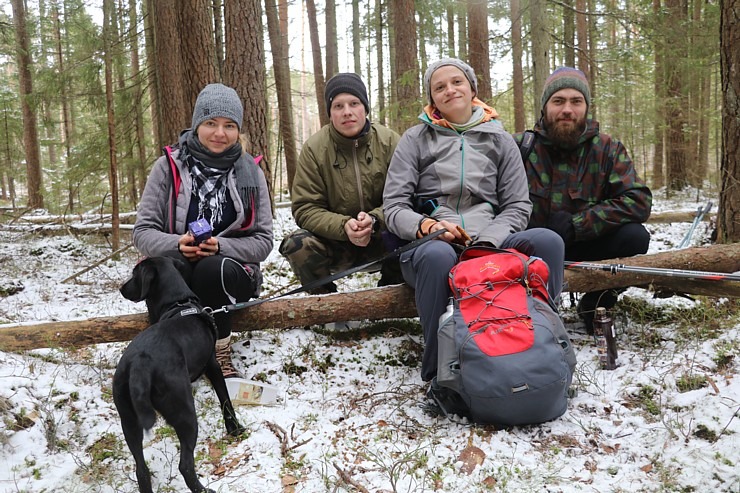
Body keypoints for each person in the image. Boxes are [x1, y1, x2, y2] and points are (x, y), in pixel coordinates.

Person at [383, 58, 565, 403]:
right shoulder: (415, 139)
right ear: (432, 100)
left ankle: (547, 344)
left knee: (549, 242)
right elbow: (393, 207)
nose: (450, 90)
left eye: (457, 82)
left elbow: (517, 206)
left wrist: (489, 240)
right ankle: (441, 373)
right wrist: (427, 226)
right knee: (437, 257)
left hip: (491, 239)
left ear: (473, 89)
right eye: (440, 87)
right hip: (432, 244)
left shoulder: (499, 139)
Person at [133, 83, 273, 378]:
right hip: (178, 271)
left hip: (228, 274)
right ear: (197, 125)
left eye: (229, 125)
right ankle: (174, 353)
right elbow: (143, 232)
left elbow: (262, 241)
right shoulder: (167, 167)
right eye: (211, 123)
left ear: (239, 131)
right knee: (176, 266)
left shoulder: (251, 172)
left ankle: (218, 352)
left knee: (212, 267)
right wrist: (177, 244)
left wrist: (221, 246)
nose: (220, 133)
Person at [514, 67, 652, 332]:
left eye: (576, 101)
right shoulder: (520, 148)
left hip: (586, 246)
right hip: (529, 252)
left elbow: (638, 200)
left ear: (586, 108)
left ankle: (597, 300)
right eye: (558, 101)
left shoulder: (607, 149)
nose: (567, 109)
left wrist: (579, 224)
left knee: (635, 237)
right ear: (545, 107)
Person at [279, 73, 402, 294]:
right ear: (330, 113)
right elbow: (305, 207)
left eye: (354, 103)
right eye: (338, 106)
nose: (347, 112)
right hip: (336, 241)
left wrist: (375, 220)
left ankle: (392, 294)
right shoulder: (314, 149)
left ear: (364, 108)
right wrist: (344, 226)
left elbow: (406, 196)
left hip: (384, 237)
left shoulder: (390, 141)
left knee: (415, 231)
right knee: (297, 244)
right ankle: (326, 303)